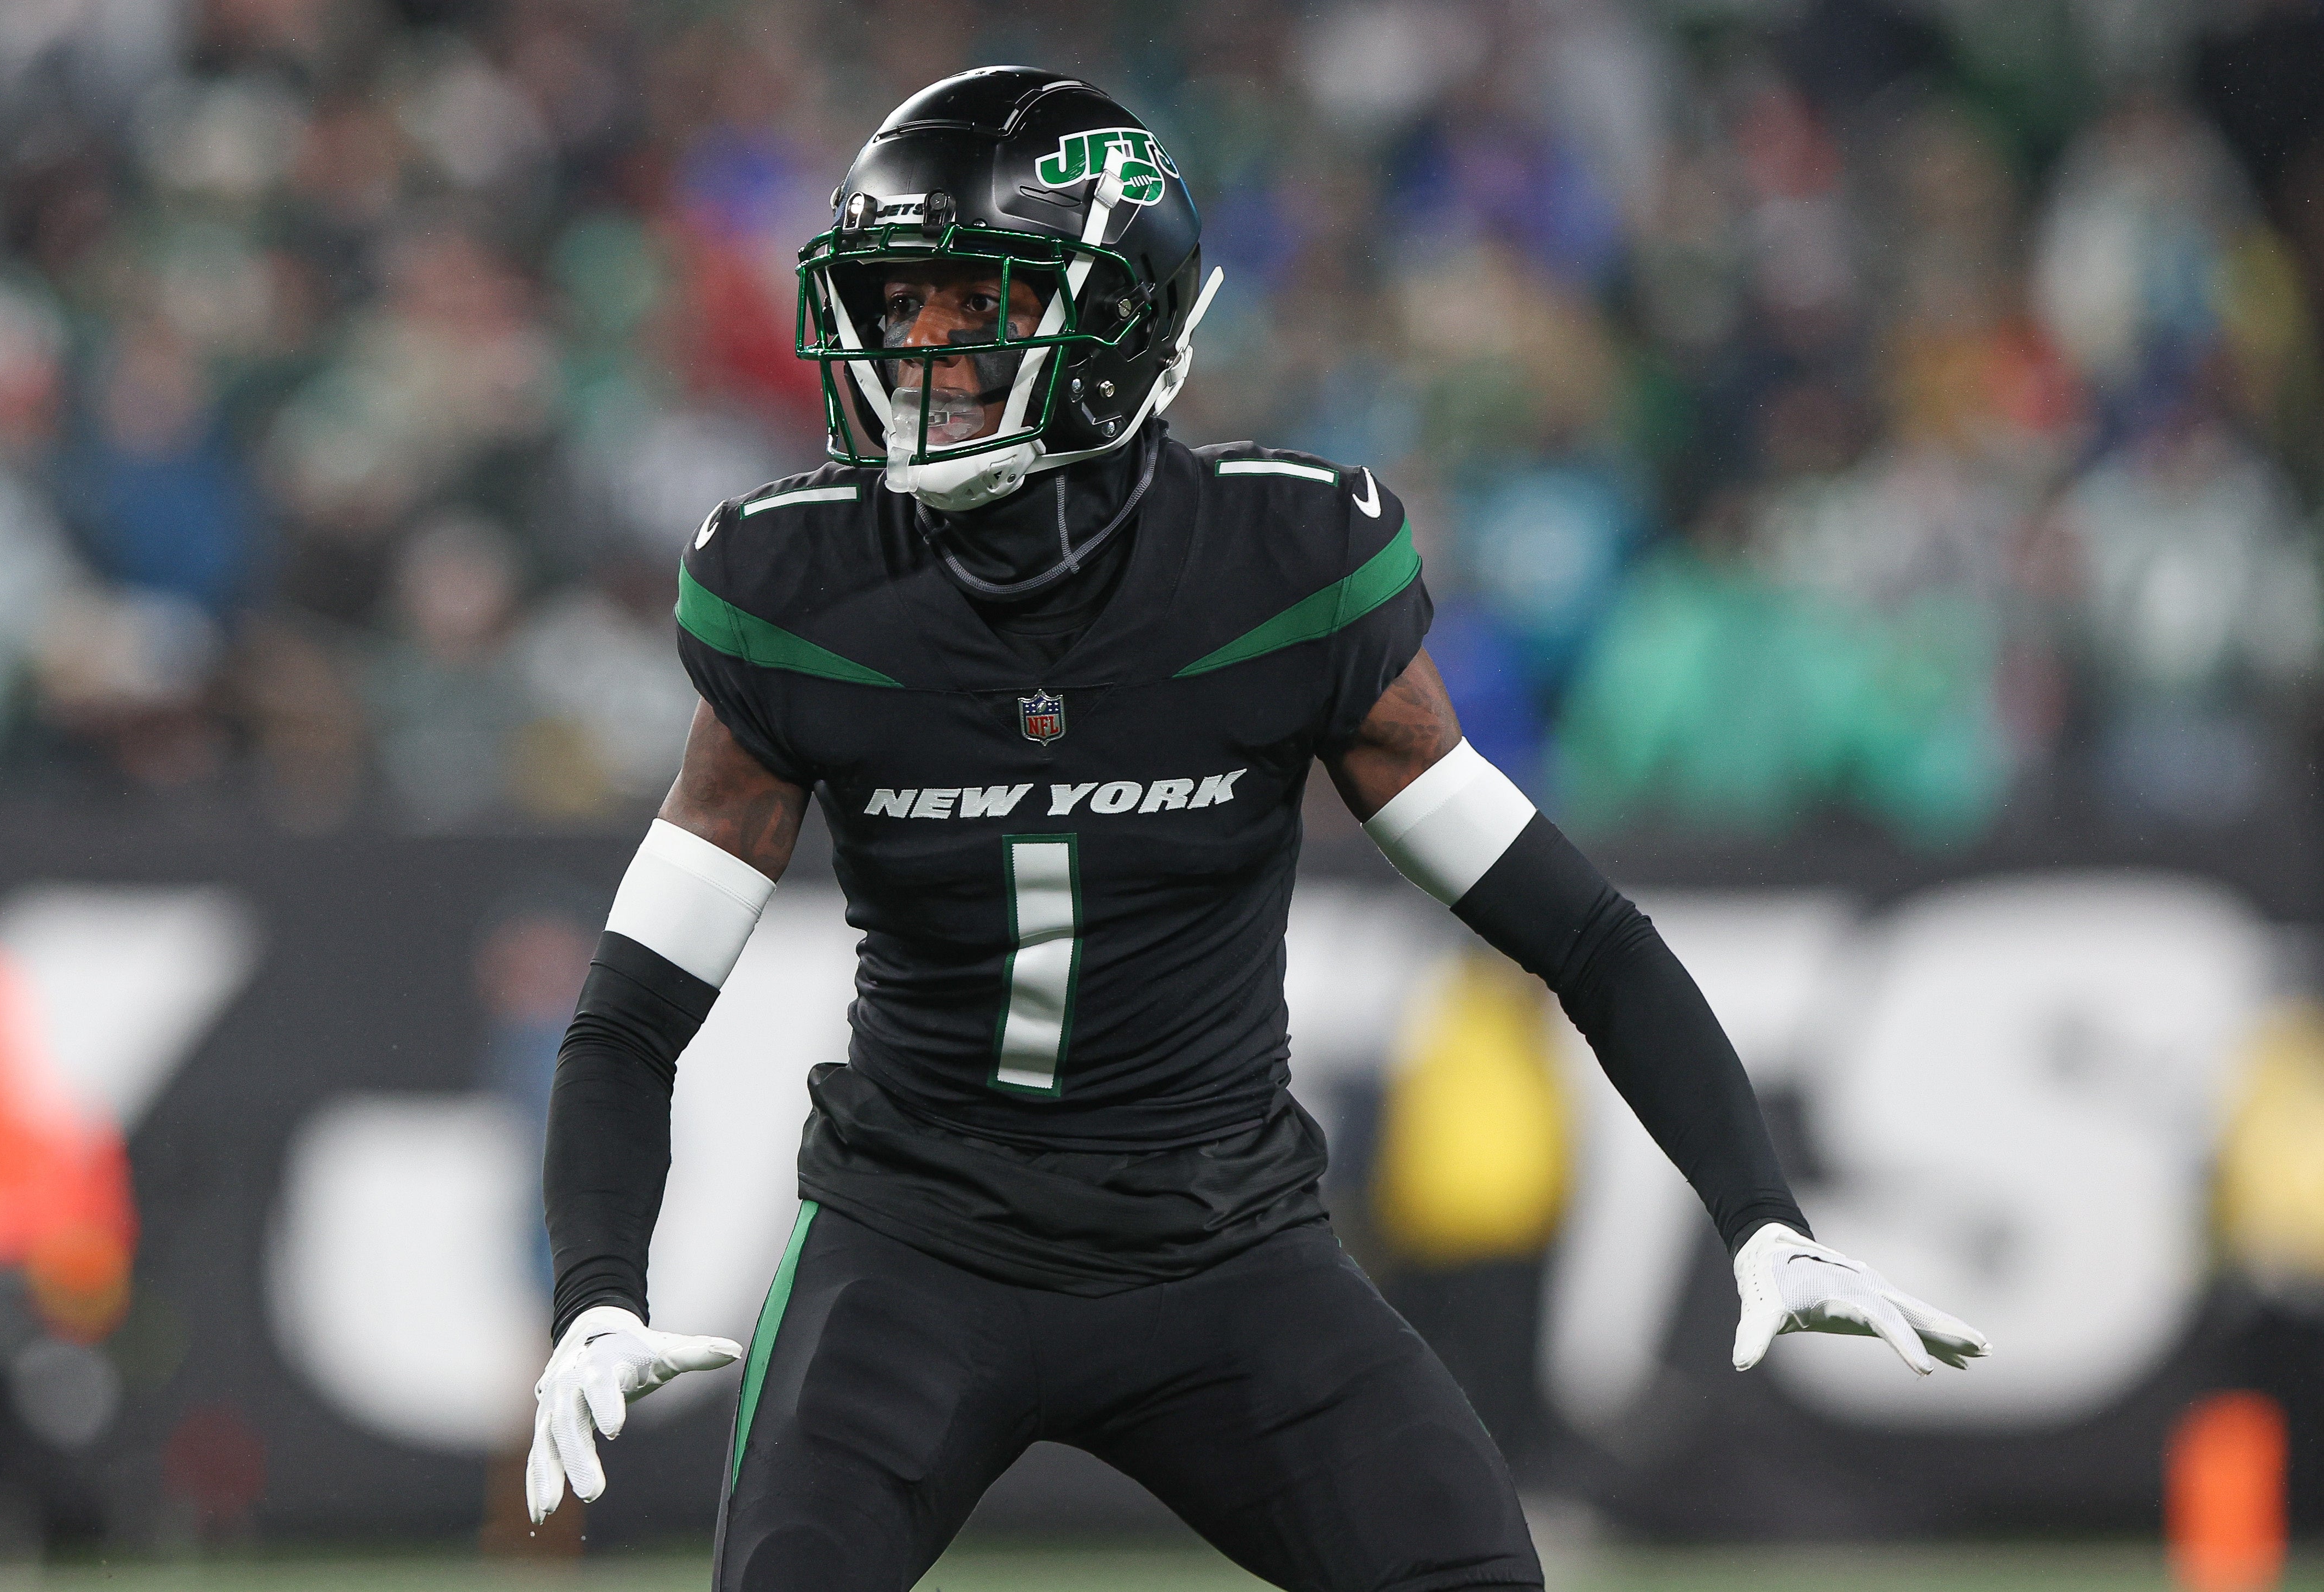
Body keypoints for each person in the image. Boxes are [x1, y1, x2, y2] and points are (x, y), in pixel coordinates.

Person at [526, 67, 1986, 1592]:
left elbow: (1583, 936)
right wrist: (596, 1289)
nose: (919, 348)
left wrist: (1760, 1218)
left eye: (975, 304)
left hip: (1221, 1247)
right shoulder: (797, 590)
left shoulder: (1278, 568)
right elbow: (629, 1016)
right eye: (899, 303)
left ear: (1119, 327)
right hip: (913, 1248)